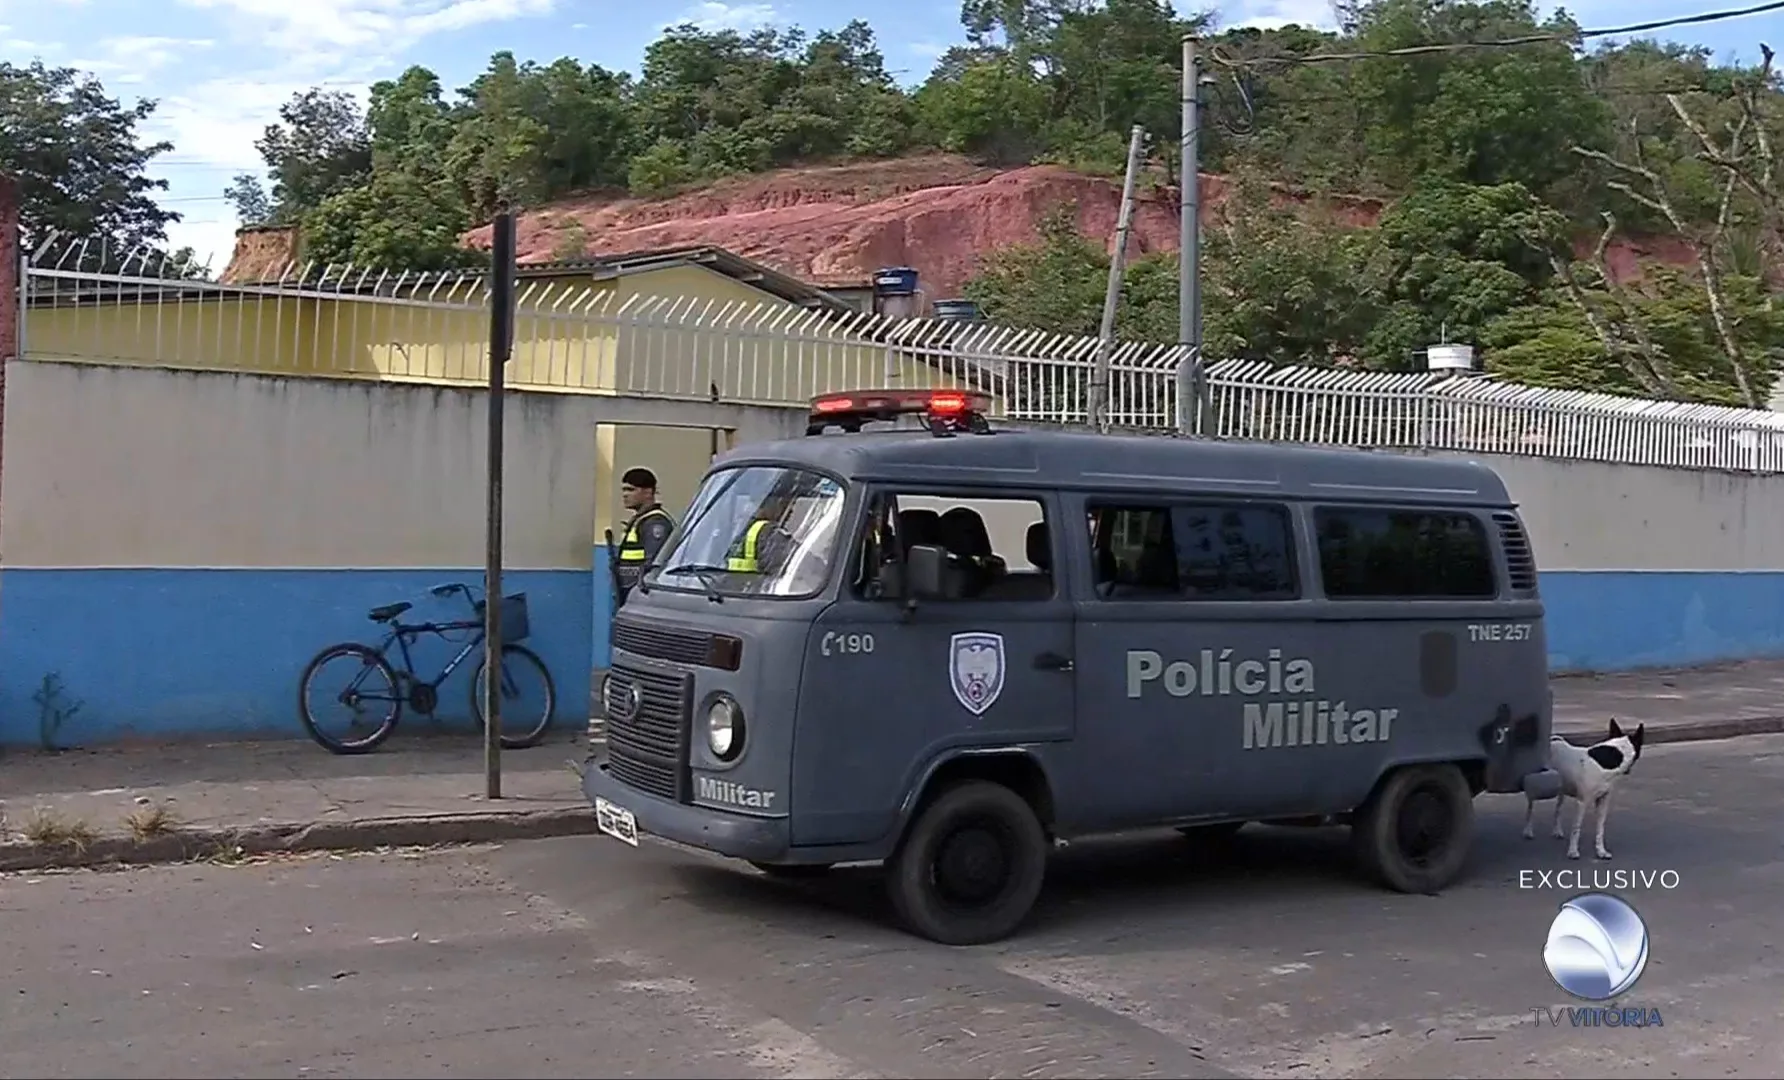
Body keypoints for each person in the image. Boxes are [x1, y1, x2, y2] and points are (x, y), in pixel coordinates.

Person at [613, 467, 676, 604]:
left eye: (630, 490)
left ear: (648, 492)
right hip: (629, 593)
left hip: (643, 596)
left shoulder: (656, 523)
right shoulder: (639, 521)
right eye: (624, 490)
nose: (625, 495)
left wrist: (641, 588)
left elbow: (653, 563)